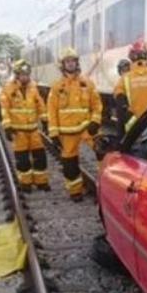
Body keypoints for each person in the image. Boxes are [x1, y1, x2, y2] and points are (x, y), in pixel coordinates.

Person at [47, 48, 103, 201]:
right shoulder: (57, 87)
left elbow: (97, 105)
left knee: (102, 151)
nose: (71, 64)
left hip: (86, 127)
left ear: (77, 63)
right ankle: (75, 191)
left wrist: (95, 121)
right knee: (70, 164)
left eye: (73, 61)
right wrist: (54, 134)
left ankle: (106, 187)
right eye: (67, 61)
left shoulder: (87, 83)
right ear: (63, 65)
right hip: (67, 133)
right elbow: (51, 111)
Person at [0, 59, 49, 192]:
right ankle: (25, 183)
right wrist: (7, 127)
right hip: (19, 132)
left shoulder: (33, 88)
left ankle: (41, 182)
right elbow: (4, 109)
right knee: (23, 161)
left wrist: (44, 120)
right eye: (22, 74)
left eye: (27, 74)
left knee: (40, 158)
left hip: (33, 131)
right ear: (17, 75)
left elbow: (40, 105)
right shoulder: (8, 90)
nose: (25, 77)